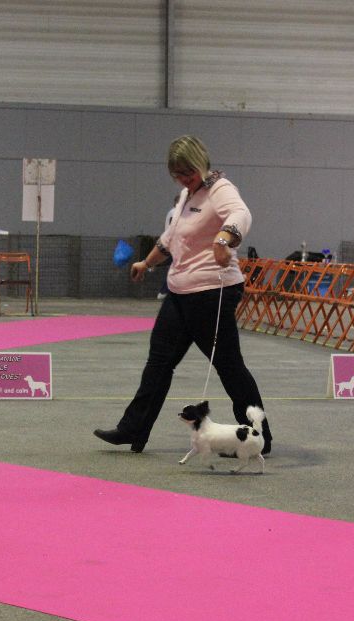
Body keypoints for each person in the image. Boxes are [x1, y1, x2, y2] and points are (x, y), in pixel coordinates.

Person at [93, 135, 272, 454]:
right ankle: (132, 429)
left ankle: (259, 437)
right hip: (179, 294)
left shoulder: (219, 188)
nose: (183, 178)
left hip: (212, 293)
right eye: (177, 174)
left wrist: (223, 241)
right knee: (158, 363)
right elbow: (171, 238)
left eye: (188, 172)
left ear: (201, 163)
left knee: (229, 366)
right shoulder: (185, 197)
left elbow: (241, 215)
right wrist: (146, 263)